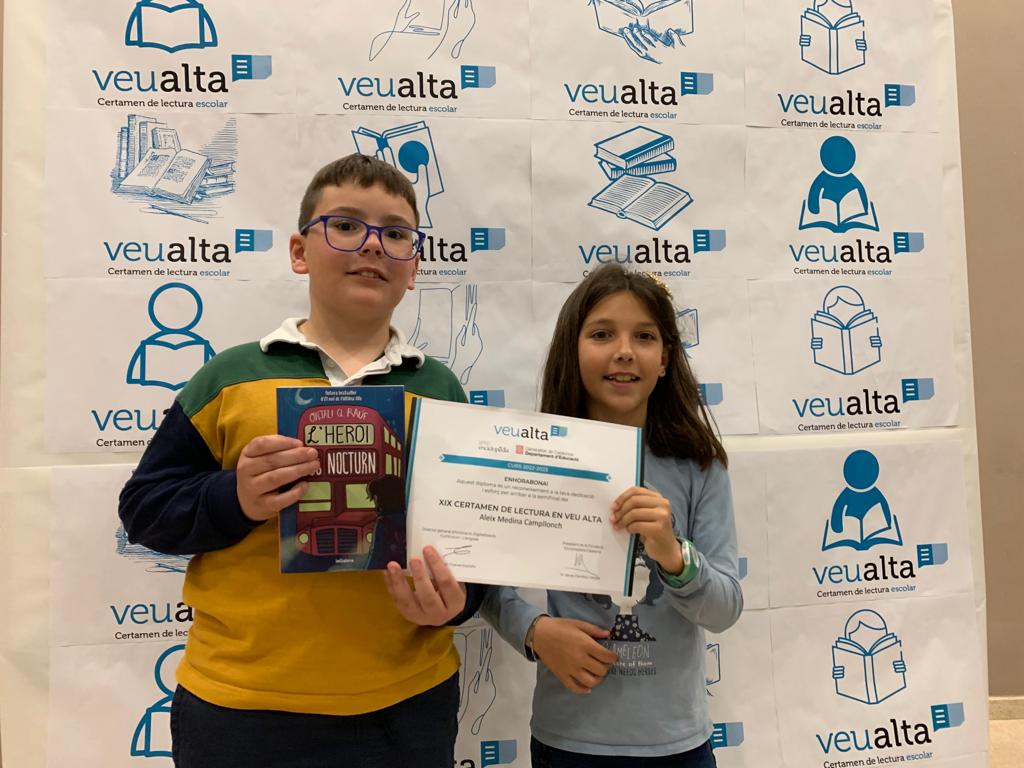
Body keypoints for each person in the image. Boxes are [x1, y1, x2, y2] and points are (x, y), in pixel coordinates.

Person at [119, 153, 483, 767]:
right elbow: (144, 511)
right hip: (239, 709)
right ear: (299, 251)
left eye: (396, 233)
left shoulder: (440, 390)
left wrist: (460, 601)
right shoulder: (229, 377)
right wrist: (234, 497)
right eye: (345, 225)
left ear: (414, 267)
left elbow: (475, 539)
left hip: (405, 706)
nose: (373, 244)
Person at [482, 264, 743, 767]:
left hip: (677, 744)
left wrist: (674, 556)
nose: (624, 351)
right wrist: (534, 631)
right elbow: (485, 579)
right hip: (569, 740)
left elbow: (724, 609)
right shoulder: (535, 458)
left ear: (665, 359)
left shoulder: (699, 467)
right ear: (572, 350)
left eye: (644, 336)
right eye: (602, 334)